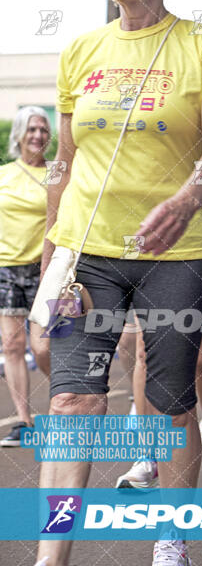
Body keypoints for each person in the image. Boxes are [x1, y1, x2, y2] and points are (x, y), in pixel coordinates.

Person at [34, 0, 202, 565]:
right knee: (72, 402)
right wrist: (52, 249)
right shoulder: (82, 50)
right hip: (89, 248)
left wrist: (185, 202)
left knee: (170, 402)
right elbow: (66, 159)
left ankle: (171, 536)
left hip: (175, 252)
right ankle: (52, 555)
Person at [115, 149, 202, 487]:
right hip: (151, 258)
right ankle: (147, 453)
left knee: (199, 359)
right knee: (143, 354)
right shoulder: (153, 132)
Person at [0, 106, 51, 447]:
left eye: (43, 130)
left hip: (43, 268)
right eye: (31, 129)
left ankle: (72, 403)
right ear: (19, 134)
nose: (37, 135)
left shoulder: (58, 175)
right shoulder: (4, 174)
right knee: (12, 346)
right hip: (5, 268)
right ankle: (24, 420)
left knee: (43, 347)